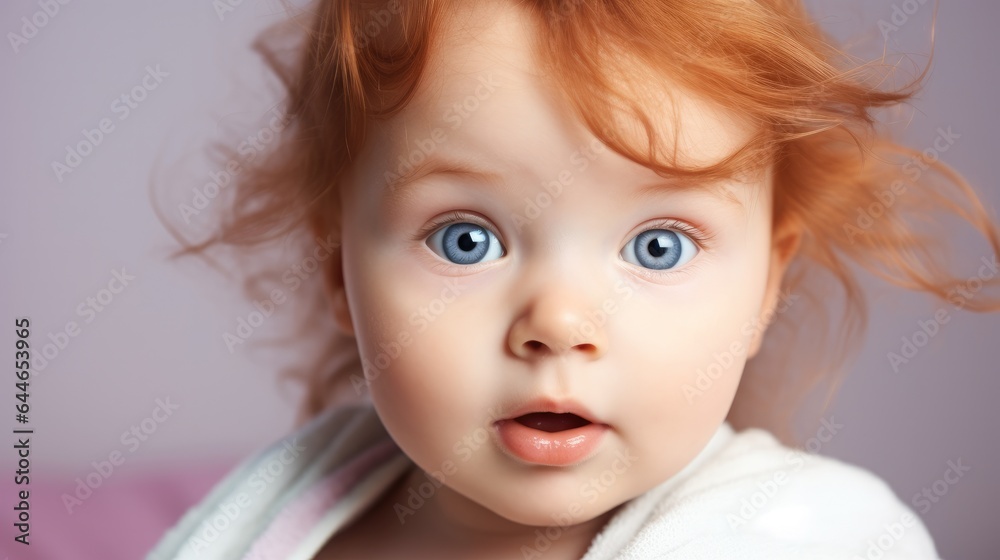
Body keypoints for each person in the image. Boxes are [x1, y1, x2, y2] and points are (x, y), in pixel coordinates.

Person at [149, 0, 1000, 558]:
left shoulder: (814, 538)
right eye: (466, 239)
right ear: (340, 271)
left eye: (658, 245)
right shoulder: (260, 519)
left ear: (766, 286)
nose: (558, 322)